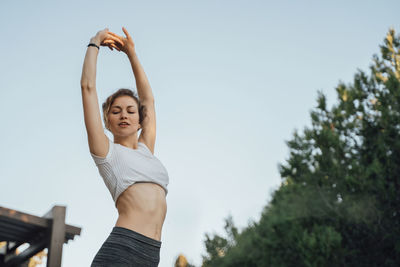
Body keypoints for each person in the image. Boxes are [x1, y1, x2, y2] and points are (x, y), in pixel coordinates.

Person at [80, 27, 169, 267]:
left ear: (140, 120)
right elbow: (87, 88)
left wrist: (131, 53)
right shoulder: (107, 153)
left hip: (151, 254)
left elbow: (148, 99)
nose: (124, 115)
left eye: (130, 111)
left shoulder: (146, 150)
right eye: (116, 111)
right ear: (107, 121)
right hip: (122, 249)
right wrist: (94, 43)